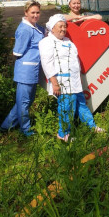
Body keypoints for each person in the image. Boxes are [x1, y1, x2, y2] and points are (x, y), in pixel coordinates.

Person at [39, 14, 104, 142]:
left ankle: (92, 126)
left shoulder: (68, 41)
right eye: (60, 26)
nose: (63, 29)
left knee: (81, 104)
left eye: (64, 26)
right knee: (66, 107)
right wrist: (54, 83)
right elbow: (47, 64)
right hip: (62, 82)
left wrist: (78, 77)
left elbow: (75, 61)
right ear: (52, 28)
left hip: (75, 81)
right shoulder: (46, 42)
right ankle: (63, 134)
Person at [1, 0, 45, 136]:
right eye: (32, 12)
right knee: (24, 102)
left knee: (26, 101)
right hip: (26, 71)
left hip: (33, 70)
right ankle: (25, 129)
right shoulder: (25, 29)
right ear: (26, 13)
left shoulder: (36, 27)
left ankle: (6, 126)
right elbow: (18, 52)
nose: (35, 15)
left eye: (38, 12)